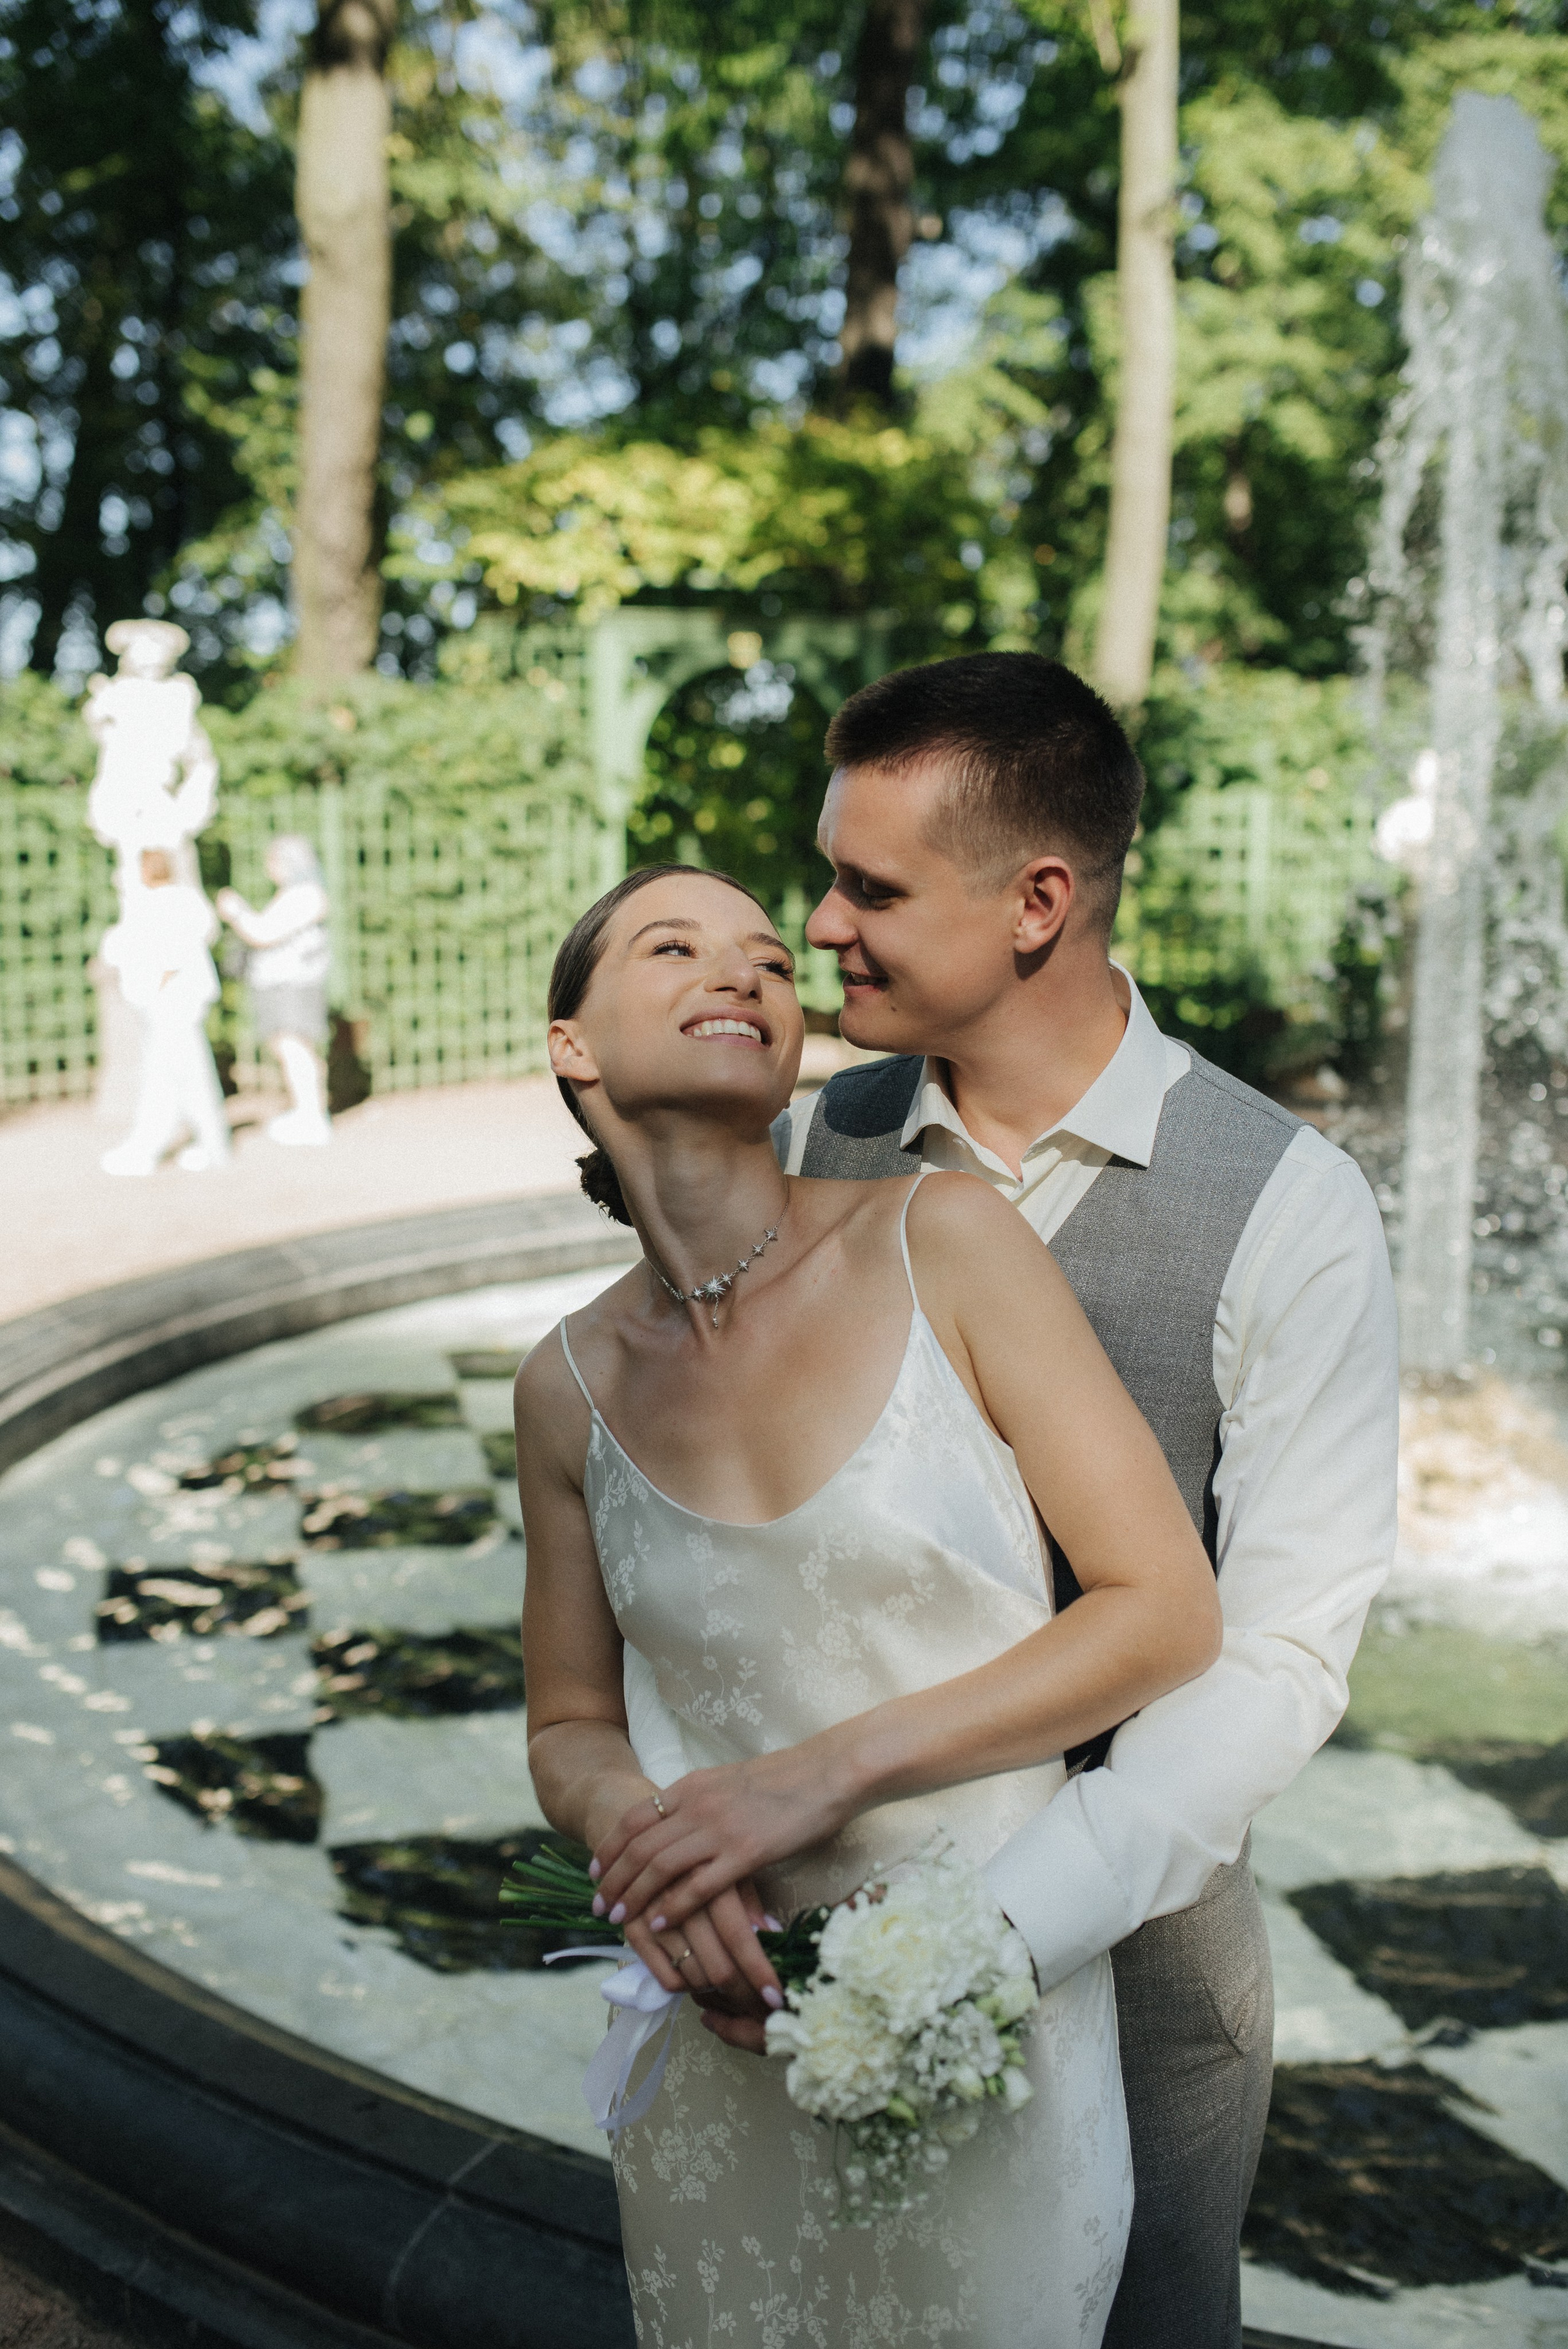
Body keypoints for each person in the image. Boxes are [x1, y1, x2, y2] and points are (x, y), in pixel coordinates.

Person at [619, 652, 1401, 2349]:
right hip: (789, 1926)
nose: (820, 925)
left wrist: (988, 1934)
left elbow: (1278, 1659)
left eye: (872, 887)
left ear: (1037, 901)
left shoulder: (1292, 1206)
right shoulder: (821, 1142)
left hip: (1134, 1970)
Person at [518, 861, 1226, 2345]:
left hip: (973, 2006)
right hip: (717, 2041)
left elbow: (1160, 1608)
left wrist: (808, 1779)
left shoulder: (942, 1238)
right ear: (570, 1042)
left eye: (770, 960)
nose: (744, 972)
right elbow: (569, 1722)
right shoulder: (564, 1383)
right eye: (672, 946)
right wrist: (646, 1849)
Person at [99, 847, 230, 1177]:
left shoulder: (156, 904)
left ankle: (150, 1148)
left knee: (167, 1076)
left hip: (171, 1003)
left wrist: (156, 986)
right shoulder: (186, 900)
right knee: (188, 1074)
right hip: (182, 1002)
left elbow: (169, 953)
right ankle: (211, 1145)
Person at [217, 836, 333, 1147]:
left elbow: (263, 933)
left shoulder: (306, 896)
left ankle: (312, 1118)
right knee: (290, 1048)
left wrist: (237, 912)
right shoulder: (298, 894)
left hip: (292, 985)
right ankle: (306, 1112)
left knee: (295, 1049)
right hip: (285, 984)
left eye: (275, 861)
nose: (270, 868)